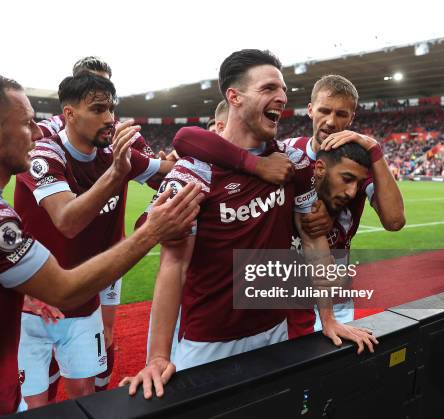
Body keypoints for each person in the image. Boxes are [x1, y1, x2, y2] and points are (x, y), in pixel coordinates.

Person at [0, 72, 202, 418]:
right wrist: (151, 232)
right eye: (28, 123)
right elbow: (66, 290)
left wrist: (19, 287)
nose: (40, 131)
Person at [122, 50, 377, 399]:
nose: (283, 97)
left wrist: (329, 319)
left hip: (275, 333)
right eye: (269, 87)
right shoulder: (193, 174)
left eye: (284, 89)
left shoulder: (290, 165)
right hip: (208, 344)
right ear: (234, 96)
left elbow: (313, 239)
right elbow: (174, 264)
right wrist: (157, 357)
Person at [172, 74, 405, 335]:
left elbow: (395, 221)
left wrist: (374, 148)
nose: (331, 121)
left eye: (341, 114)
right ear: (310, 110)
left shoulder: (359, 162)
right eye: (324, 111)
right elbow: (188, 139)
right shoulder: (288, 151)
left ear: (352, 119)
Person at [14, 72, 174, 407]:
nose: (109, 119)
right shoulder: (44, 153)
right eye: (98, 109)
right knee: (35, 404)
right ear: (69, 114)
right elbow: (67, 221)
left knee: (84, 395)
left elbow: (168, 172)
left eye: (111, 109)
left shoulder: (114, 148)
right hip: (34, 299)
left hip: (86, 291)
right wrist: (117, 172)